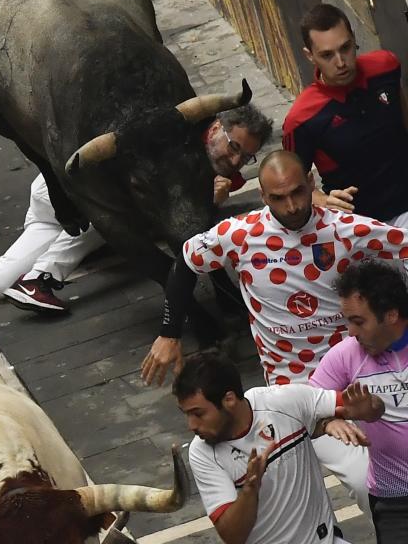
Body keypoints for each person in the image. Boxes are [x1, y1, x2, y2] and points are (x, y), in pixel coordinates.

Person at [145, 150, 408, 509]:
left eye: (298, 192)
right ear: (263, 197)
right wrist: (169, 332)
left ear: (312, 185)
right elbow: (187, 262)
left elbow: (403, 246)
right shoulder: (239, 235)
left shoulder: (348, 230)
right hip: (288, 397)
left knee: (376, 485)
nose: (292, 206)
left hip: (352, 388)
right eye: (279, 198)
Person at [0, 105, 272, 322]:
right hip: (69, 193)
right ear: (214, 129)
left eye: (246, 157)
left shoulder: (219, 174)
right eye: (233, 147)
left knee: (1, 277)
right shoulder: (174, 136)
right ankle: (42, 277)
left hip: (58, 213)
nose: (236, 161)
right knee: (113, 213)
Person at [176, 351, 384, 544]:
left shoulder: (282, 401)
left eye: (198, 414)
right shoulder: (202, 453)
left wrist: (368, 407)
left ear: (229, 400)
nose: (191, 425)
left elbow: (369, 408)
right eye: (186, 414)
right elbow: (233, 536)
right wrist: (250, 488)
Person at [282, 3, 408, 226]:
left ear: (353, 38)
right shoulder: (301, 119)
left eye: (346, 48)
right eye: (327, 55)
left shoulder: (385, 66)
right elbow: (289, 189)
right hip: (361, 226)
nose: (340, 62)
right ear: (309, 55)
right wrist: (321, 199)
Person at [310, 261, 408, 542]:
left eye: (358, 321)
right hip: (395, 503)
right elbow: (305, 411)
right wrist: (333, 417)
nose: (351, 332)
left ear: (391, 315)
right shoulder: (345, 356)